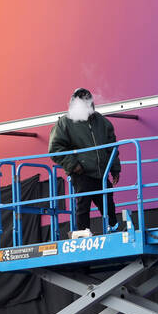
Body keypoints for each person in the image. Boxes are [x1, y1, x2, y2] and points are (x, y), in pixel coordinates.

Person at [48, 88, 120, 234]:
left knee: (108, 204)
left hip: (102, 172)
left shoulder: (102, 121)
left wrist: (115, 168)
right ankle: (83, 234)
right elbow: (54, 148)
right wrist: (74, 165)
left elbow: (112, 147)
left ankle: (114, 229)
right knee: (83, 205)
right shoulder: (65, 123)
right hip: (81, 172)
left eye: (87, 99)